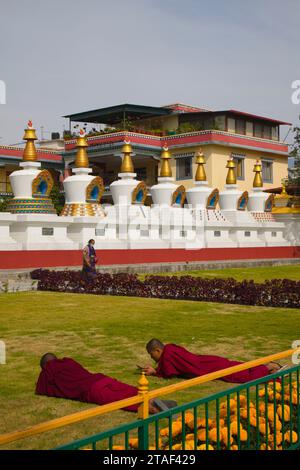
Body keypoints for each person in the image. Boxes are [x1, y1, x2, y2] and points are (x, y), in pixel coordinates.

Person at [36, 353, 176, 413]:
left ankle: (154, 409)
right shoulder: (68, 361)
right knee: (130, 390)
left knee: (121, 401)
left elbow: (41, 388)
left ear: (45, 366)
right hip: (101, 378)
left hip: (92, 389)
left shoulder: (48, 372)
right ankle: (154, 400)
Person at [142, 339, 282, 383]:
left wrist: (154, 372)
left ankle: (269, 367)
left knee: (240, 376)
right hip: (208, 361)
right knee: (239, 367)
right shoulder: (170, 347)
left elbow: (169, 373)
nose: (151, 357)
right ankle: (269, 368)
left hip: (208, 368)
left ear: (158, 351)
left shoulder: (168, 355)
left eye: (151, 354)